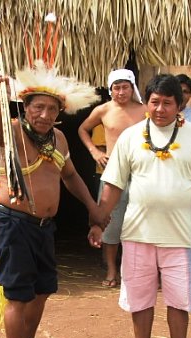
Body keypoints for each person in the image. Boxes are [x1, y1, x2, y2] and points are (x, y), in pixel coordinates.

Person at [88, 74, 191, 338]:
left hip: (181, 236)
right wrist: (99, 221)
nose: (160, 109)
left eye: (168, 103)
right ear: (146, 102)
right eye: (154, 102)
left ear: (179, 105)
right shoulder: (132, 136)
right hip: (136, 235)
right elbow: (114, 184)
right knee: (140, 300)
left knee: (179, 302)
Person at [0, 60, 105, 338]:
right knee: (18, 294)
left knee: (41, 291)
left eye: (50, 109)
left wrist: (93, 209)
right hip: (14, 222)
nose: (43, 114)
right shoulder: (12, 130)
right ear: (25, 108)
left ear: (59, 113)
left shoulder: (59, 139)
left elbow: (69, 176)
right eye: (37, 107)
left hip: (43, 226)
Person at [78, 69, 147, 287]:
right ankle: (111, 270)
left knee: (140, 222)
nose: (121, 92)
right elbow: (83, 129)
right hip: (113, 174)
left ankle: (135, 272)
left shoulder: (145, 110)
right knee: (109, 223)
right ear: (110, 90)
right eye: (116, 87)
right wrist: (95, 152)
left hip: (141, 172)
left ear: (132, 87)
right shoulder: (103, 110)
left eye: (125, 87)